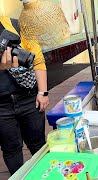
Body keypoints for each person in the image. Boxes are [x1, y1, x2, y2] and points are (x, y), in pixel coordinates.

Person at [0, 16, 49, 175]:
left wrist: (43, 92)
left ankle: (46, 176)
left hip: (29, 98)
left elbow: (38, 60)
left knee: (38, 145)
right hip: (2, 106)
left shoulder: (14, 24)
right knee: (11, 149)